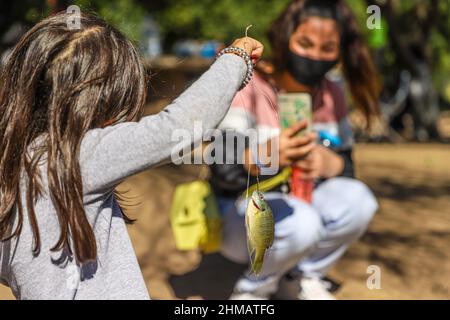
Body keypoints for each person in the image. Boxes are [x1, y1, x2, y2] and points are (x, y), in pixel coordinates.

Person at [0, 11, 263, 299]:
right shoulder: (76, 156)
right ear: (99, 99)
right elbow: (180, 126)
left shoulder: (12, 163)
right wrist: (236, 59)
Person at [210, 0, 380, 300]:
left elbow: (348, 170)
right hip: (241, 218)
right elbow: (222, 170)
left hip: (304, 208)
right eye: (304, 43)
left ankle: (302, 277)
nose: (314, 56)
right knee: (302, 221)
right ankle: (253, 290)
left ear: (340, 52)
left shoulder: (332, 93)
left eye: (327, 48)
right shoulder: (249, 85)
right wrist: (262, 158)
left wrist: (332, 163)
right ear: (284, 38)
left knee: (360, 201)